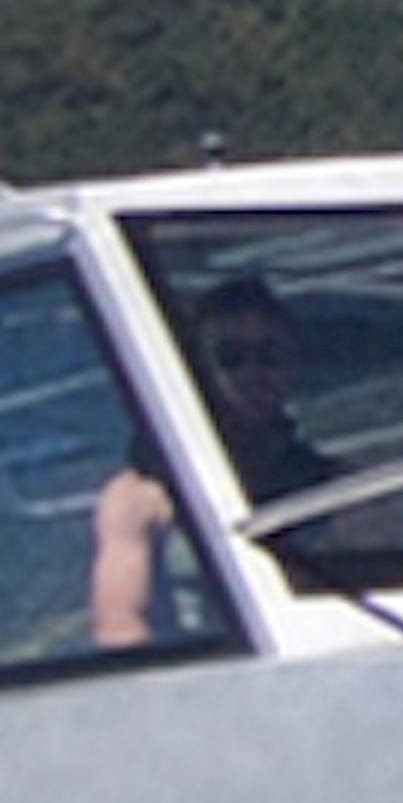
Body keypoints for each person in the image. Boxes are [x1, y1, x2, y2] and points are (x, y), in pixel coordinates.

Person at [91, 273, 313, 648]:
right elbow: (119, 627)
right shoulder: (139, 498)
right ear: (201, 373)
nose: (252, 373)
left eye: (268, 356)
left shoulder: (333, 487)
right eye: (231, 358)